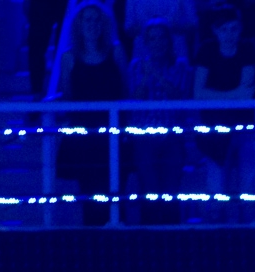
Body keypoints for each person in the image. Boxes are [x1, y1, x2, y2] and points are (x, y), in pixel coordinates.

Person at [56, 1, 127, 227]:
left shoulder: (116, 51)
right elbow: (68, 97)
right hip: (84, 137)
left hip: (112, 133)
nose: (93, 25)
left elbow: (126, 90)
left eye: (97, 20)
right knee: (89, 194)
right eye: (88, 20)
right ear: (79, 24)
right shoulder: (69, 58)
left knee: (115, 191)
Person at [193, 4, 255, 216]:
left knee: (248, 187)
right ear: (215, 30)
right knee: (216, 191)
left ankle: (248, 234)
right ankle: (217, 237)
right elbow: (198, 93)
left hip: (244, 127)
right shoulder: (206, 50)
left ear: (240, 29)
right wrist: (233, 95)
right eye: (224, 29)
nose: (229, 35)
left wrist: (216, 95)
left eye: (234, 29)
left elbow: (246, 93)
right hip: (214, 130)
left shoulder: (247, 48)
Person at [128, 18, 192, 225]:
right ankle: (148, 239)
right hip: (144, 137)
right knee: (149, 188)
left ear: (169, 41)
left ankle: (172, 238)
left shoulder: (180, 65)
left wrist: (156, 74)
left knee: (171, 190)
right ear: (146, 42)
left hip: (172, 136)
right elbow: (134, 99)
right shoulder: (136, 66)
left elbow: (178, 97)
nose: (158, 43)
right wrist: (147, 77)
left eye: (162, 38)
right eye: (153, 38)